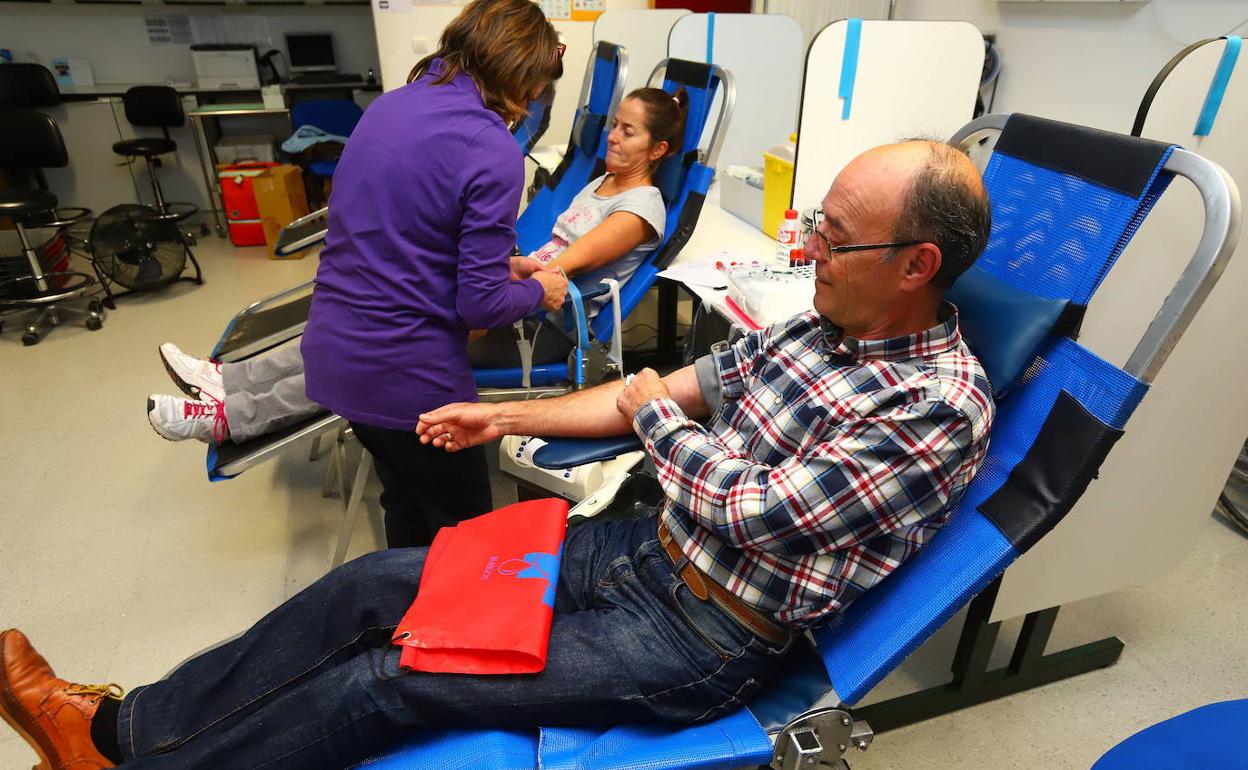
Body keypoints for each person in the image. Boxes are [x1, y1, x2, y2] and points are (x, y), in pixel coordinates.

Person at [0, 140, 995, 770]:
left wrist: (655, 415)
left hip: (704, 637)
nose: (810, 250)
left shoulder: (937, 407)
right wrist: (498, 415)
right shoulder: (817, 327)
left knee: (389, 679)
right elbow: (671, 392)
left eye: (835, 238)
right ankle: (123, 729)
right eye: (817, 225)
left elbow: (754, 508)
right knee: (371, 585)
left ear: (917, 264)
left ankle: (133, 762)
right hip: (641, 550)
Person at [144, 87, 688, 449]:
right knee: (366, 321)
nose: (613, 137)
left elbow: (562, 267)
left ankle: (229, 418)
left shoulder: (640, 209)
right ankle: (228, 380)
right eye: (614, 125)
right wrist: (490, 269)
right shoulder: (601, 183)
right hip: (519, 304)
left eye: (629, 132)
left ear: (658, 149)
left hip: (544, 329)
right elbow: (541, 259)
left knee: (377, 351)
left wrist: (493, 276)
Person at [285, 0, 567, 550]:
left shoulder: (390, 106)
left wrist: (497, 265)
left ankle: (399, 603)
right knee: (467, 539)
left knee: (407, 506)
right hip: (409, 377)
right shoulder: (490, 146)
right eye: (539, 84)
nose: (537, 98)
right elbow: (481, 307)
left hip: (335, 354)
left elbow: (400, 233)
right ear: (521, 73)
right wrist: (540, 289)